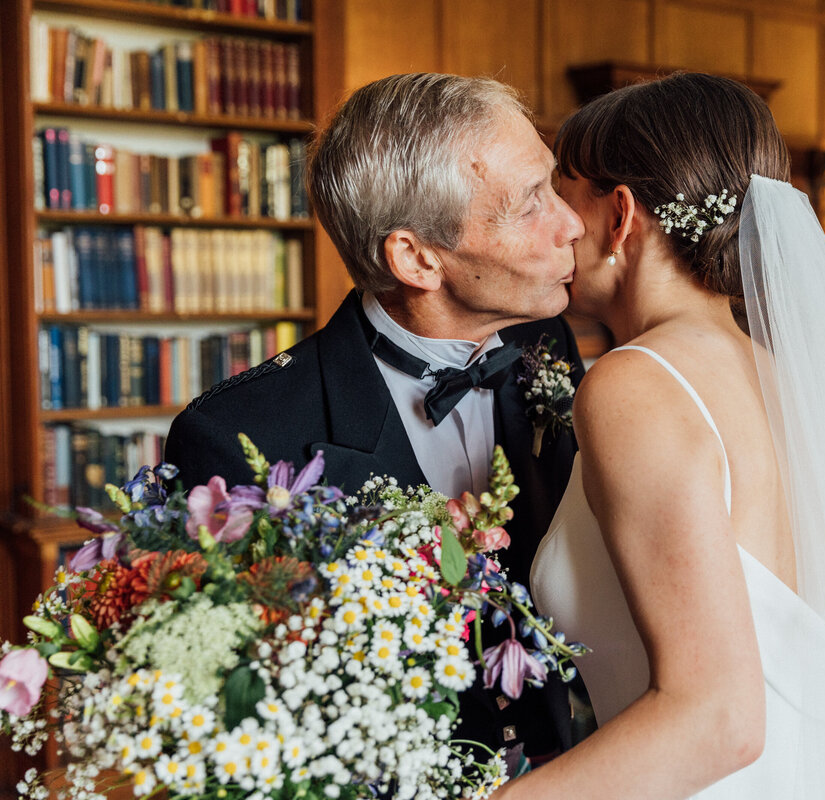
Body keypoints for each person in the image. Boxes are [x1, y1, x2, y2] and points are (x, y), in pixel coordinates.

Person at [507, 73, 825, 798]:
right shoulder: (779, 375)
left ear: (620, 215)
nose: (559, 223)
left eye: (563, 191)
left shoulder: (635, 383)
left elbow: (719, 719)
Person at [163, 73, 586, 768]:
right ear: (417, 258)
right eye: (531, 202)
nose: (570, 222)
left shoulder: (546, 346)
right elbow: (237, 713)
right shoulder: (239, 439)